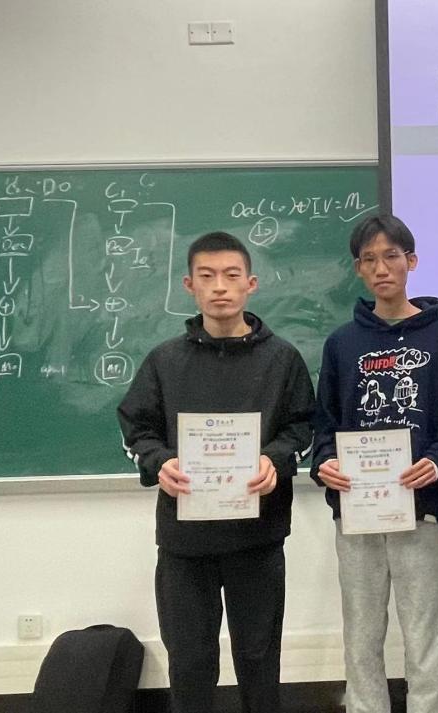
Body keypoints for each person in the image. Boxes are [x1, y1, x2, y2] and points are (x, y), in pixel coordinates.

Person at [117, 231, 315, 713]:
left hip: (258, 539)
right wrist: (160, 462)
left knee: (259, 660)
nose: (220, 287)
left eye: (231, 275)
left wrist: (275, 459)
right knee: (189, 663)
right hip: (185, 546)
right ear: (190, 285)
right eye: (207, 276)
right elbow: (136, 430)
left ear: (251, 283)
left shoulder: (282, 359)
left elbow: (303, 427)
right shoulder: (165, 360)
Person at [310, 214, 438, 713]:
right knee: (361, 632)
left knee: (426, 631)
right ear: (358, 269)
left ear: (411, 262)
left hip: (420, 506)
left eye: (391, 257)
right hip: (357, 511)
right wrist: (326, 462)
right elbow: (325, 423)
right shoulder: (342, 343)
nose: (381, 268)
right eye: (369, 259)